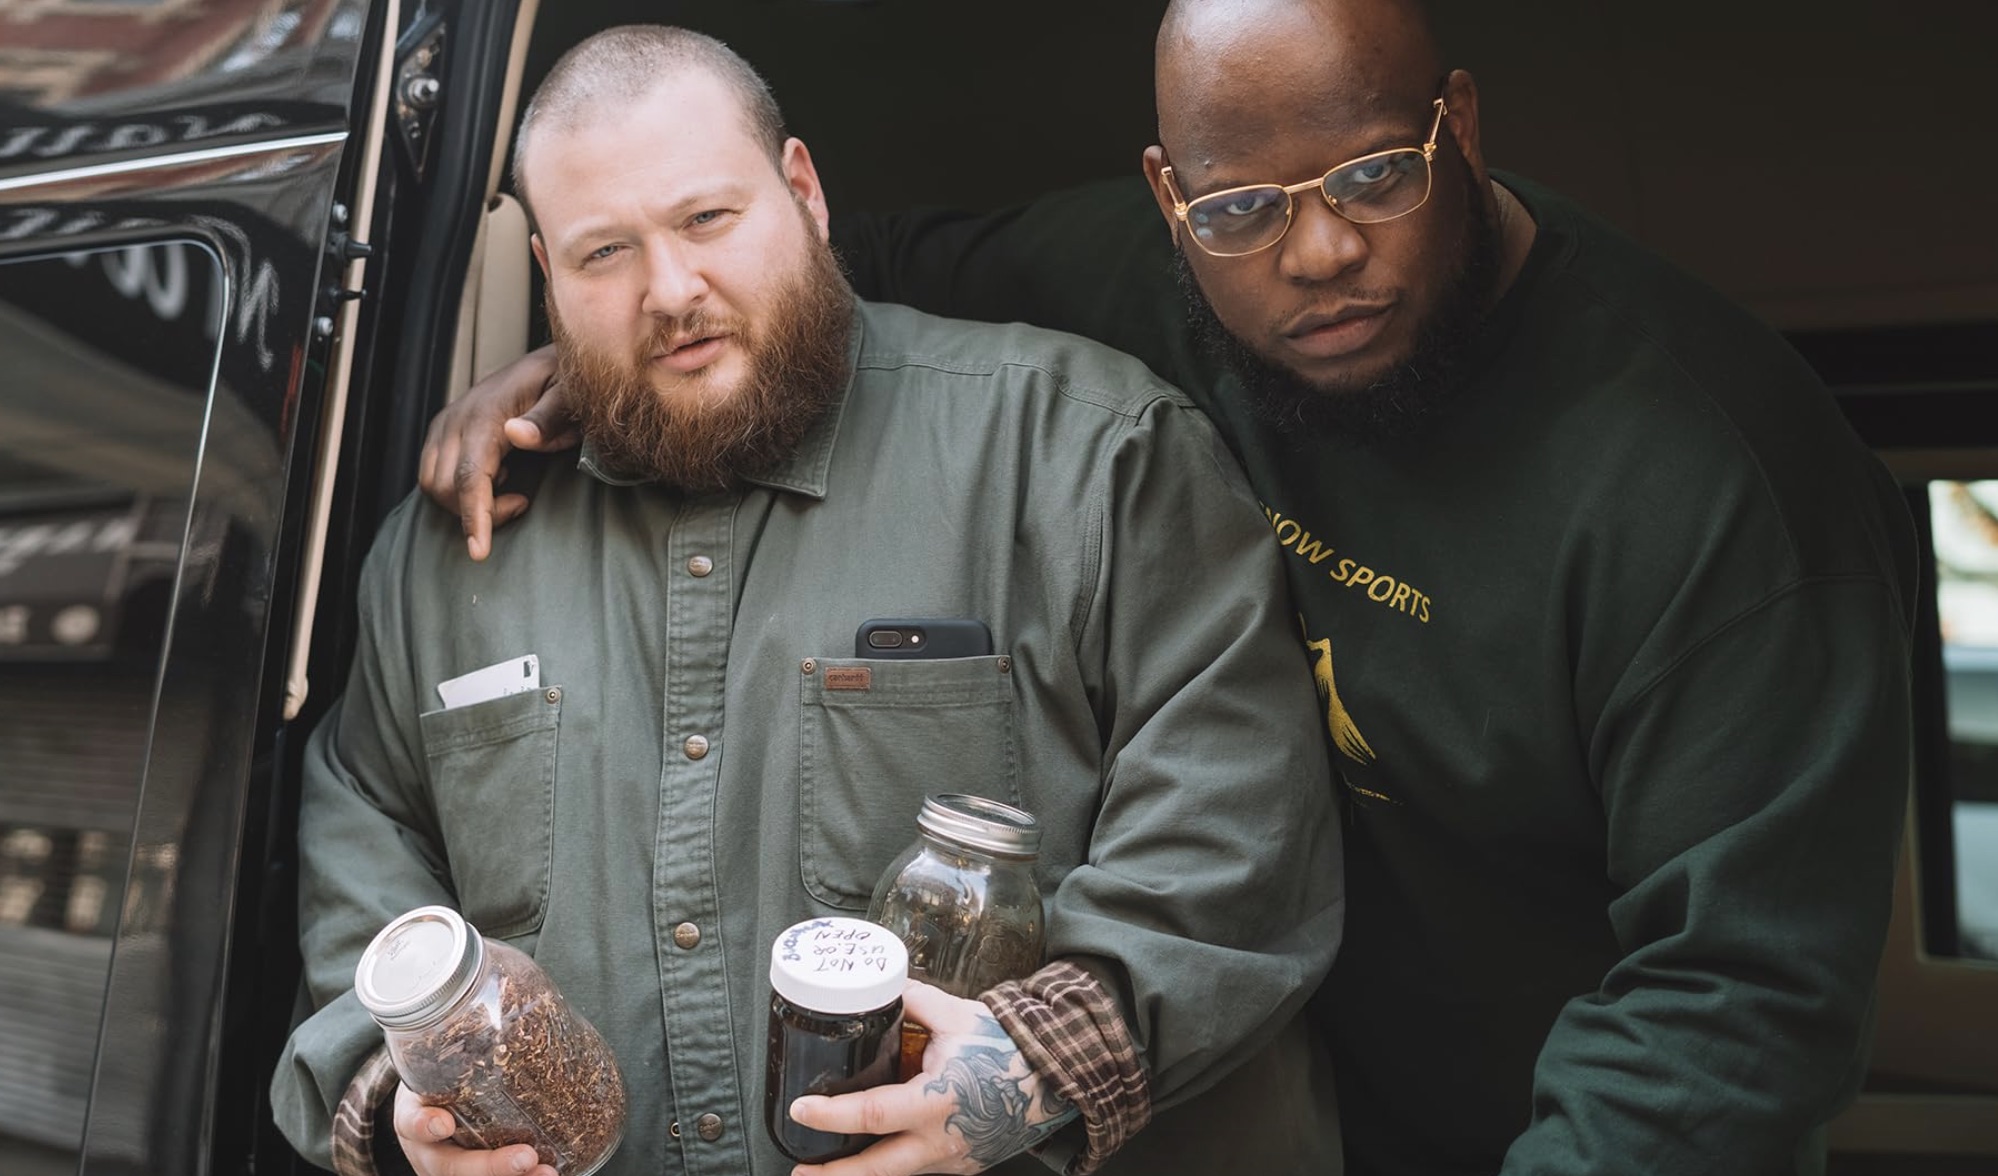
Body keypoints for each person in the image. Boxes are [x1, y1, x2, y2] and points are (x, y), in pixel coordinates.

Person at [424, 2, 1922, 1173]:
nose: (1319, 249)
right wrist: (599, 360)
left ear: (1456, 124)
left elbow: (1735, 1001)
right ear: (1169, 198)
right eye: (1239, 211)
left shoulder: (1712, 483)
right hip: (1322, 1104)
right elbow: (828, 268)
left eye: (1375, 178)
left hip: (1593, 1127)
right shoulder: (1162, 269)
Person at [272, 23, 1345, 1176]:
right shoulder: (445, 557)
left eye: (707, 221)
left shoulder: (1087, 454)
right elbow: (363, 862)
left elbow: (1241, 828)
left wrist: (1028, 1070)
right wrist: (400, 1107)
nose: (670, 290)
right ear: (547, 277)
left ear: (803, 192)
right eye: (604, 254)